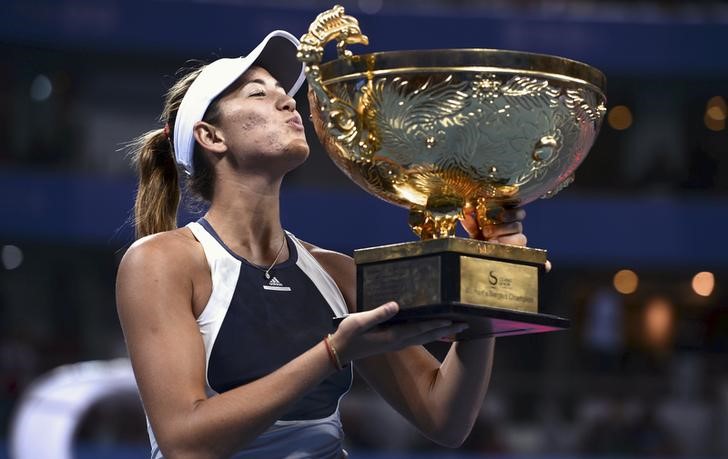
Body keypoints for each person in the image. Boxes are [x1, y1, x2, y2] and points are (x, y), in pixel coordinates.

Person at [116, 30, 527, 459]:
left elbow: (444, 418)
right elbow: (185, 443)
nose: (289, 102)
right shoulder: (160, 262)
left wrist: (481, 288)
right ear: (211, 136)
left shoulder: (336, 272)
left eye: (285, 93)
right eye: (258, 93)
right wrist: (332, 353)